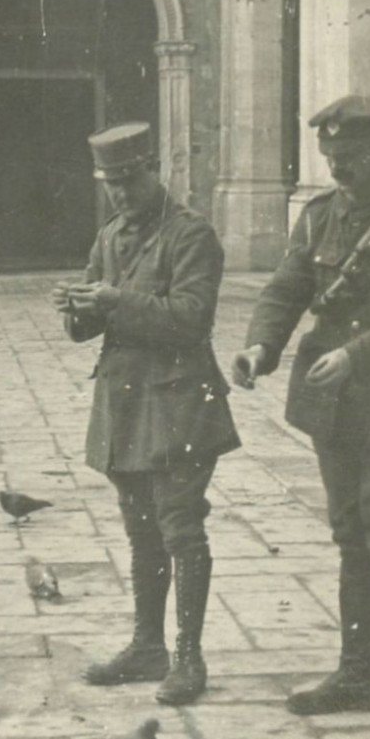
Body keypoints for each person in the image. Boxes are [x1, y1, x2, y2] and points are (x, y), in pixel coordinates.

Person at [231, 96, 370, 739]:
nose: (339, 170)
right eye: (331, 160)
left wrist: (354, 354)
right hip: (337, 411)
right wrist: (260, 346)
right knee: (350, 536)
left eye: (351, 158)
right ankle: (354, 672)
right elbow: (285, 288)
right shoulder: (319, 216)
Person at [52, 121, 240, 706]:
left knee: (180, 527)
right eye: (111, 183)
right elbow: (89, 323)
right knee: (140, 532)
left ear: (155, 170)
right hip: (127, 404)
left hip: (182, 401)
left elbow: (192, 317)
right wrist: (77, 309)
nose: (121, 193)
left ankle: (188, 656)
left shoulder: (190, 235)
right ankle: (147, 645)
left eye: (130, 179)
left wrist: (114, 301)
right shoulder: (109, 236)